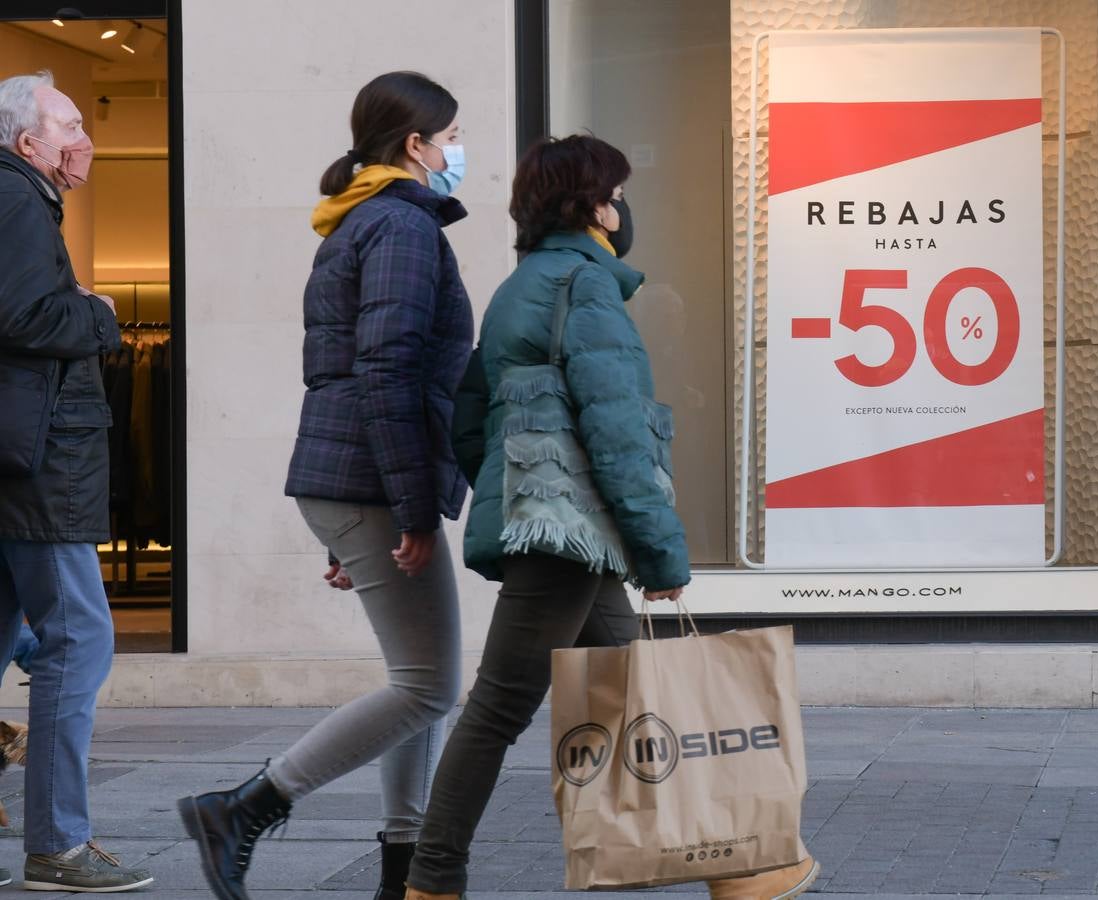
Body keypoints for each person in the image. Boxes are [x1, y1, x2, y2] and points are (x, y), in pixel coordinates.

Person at [403, 135, 815, 900]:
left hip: (562, 531)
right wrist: (661, 554)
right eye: (616, 195)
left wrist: (517, 492)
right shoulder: (583, 288)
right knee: (498, 708)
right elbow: (618, 430)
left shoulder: (522, 285)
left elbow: (468, 419)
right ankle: (431, 881)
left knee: (646, 691)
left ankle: (742, 865)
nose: (623, 209)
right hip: (567, 537)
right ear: (591, 205)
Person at [177, 71, 472, 900]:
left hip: (358, 482)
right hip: (374, 484)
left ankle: (405, 872)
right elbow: (387, 370)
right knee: (429, 685)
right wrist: (411, 510)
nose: (457, 153)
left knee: (422, 682)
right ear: (415, 145)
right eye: (449, 139)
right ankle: (245, 807)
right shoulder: (401, 228)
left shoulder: (359, 222)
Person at [0, 71, 155, 893]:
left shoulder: (17, 196)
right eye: (66, 124)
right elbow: (24, 317)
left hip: (18, 461)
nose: (79, 138)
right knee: (79, 641)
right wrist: (99, 314)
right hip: (40, 469)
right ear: (28, 143)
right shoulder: (19, 200)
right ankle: (57, 846)